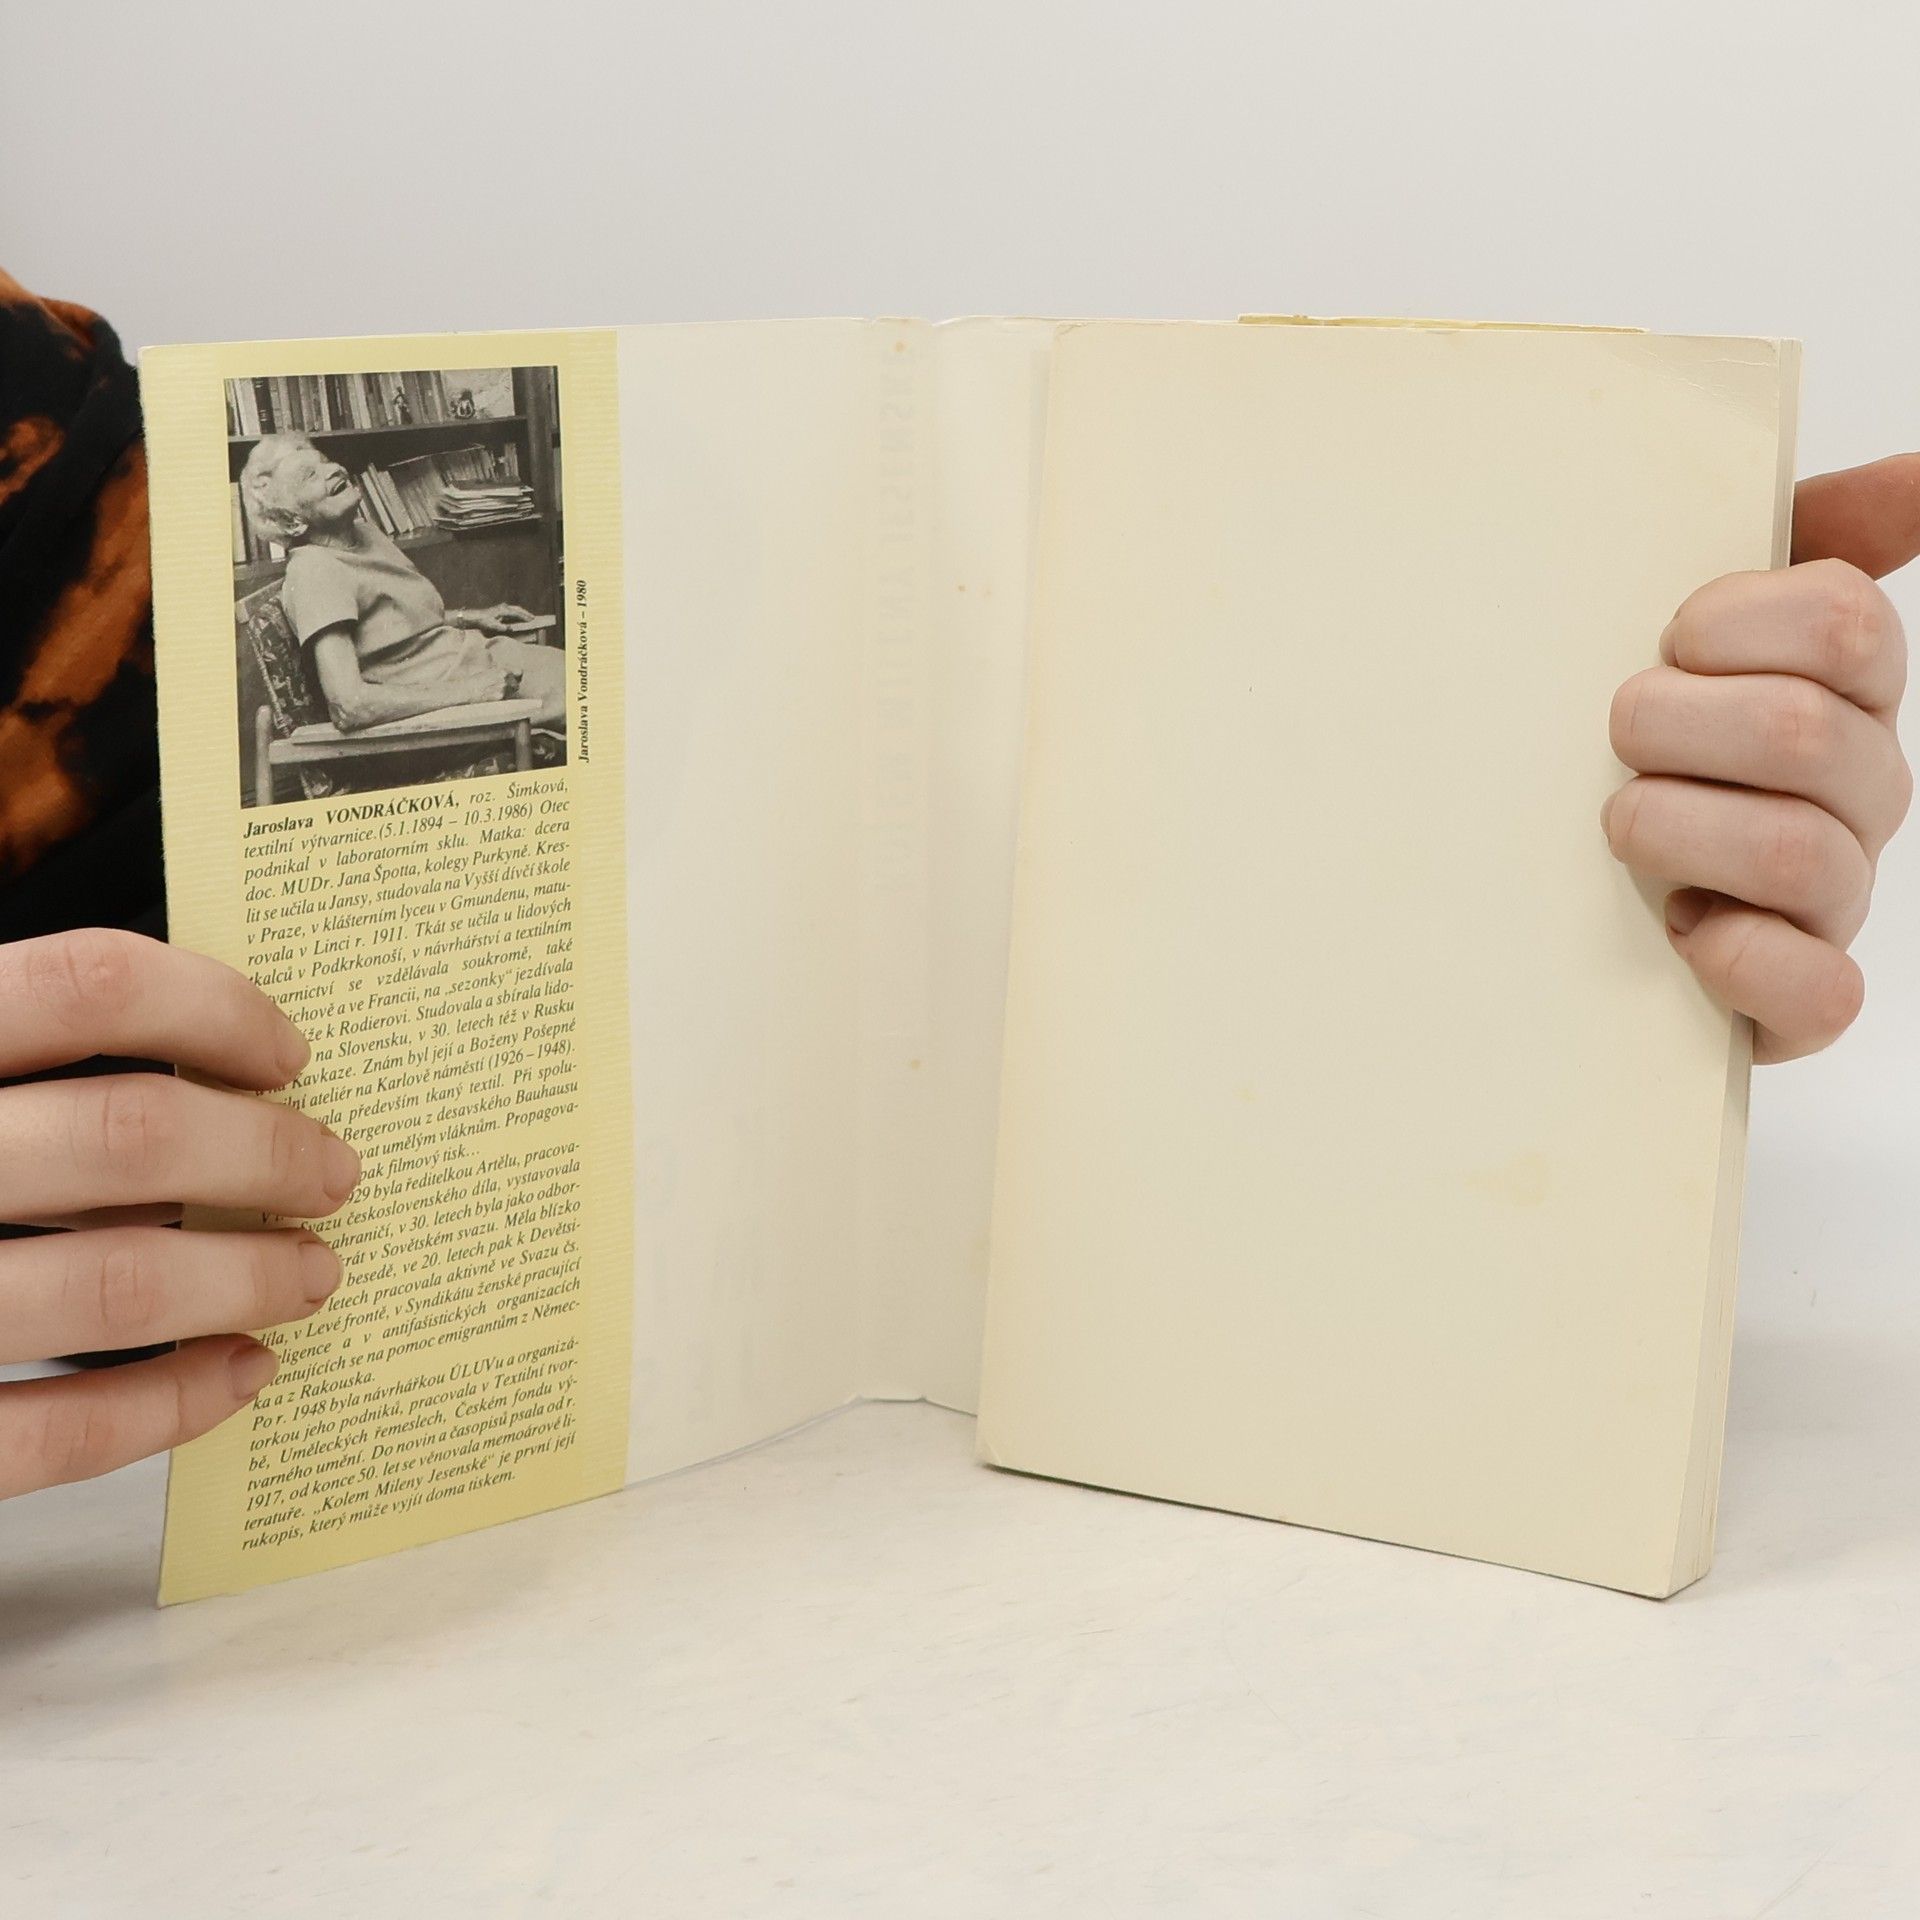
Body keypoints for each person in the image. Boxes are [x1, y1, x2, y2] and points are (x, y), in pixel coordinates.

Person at [1, 272, 1913, 1500]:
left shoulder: (77, 472)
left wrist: (1498, 790)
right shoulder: (311, 573)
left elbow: (151, 781)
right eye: (313, 503)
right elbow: (338, 708)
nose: (326, 505)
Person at [239, 430, 565, 732]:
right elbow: (349, 706)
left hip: (480, 663)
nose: (334, 469)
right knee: (587, 700)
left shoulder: (364, 532)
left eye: (325, 462)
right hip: (452, 710)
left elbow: (390, 631)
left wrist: (466, 617)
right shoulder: (315, 571)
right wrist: (473, 691)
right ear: (291, 521)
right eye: (310, 475)